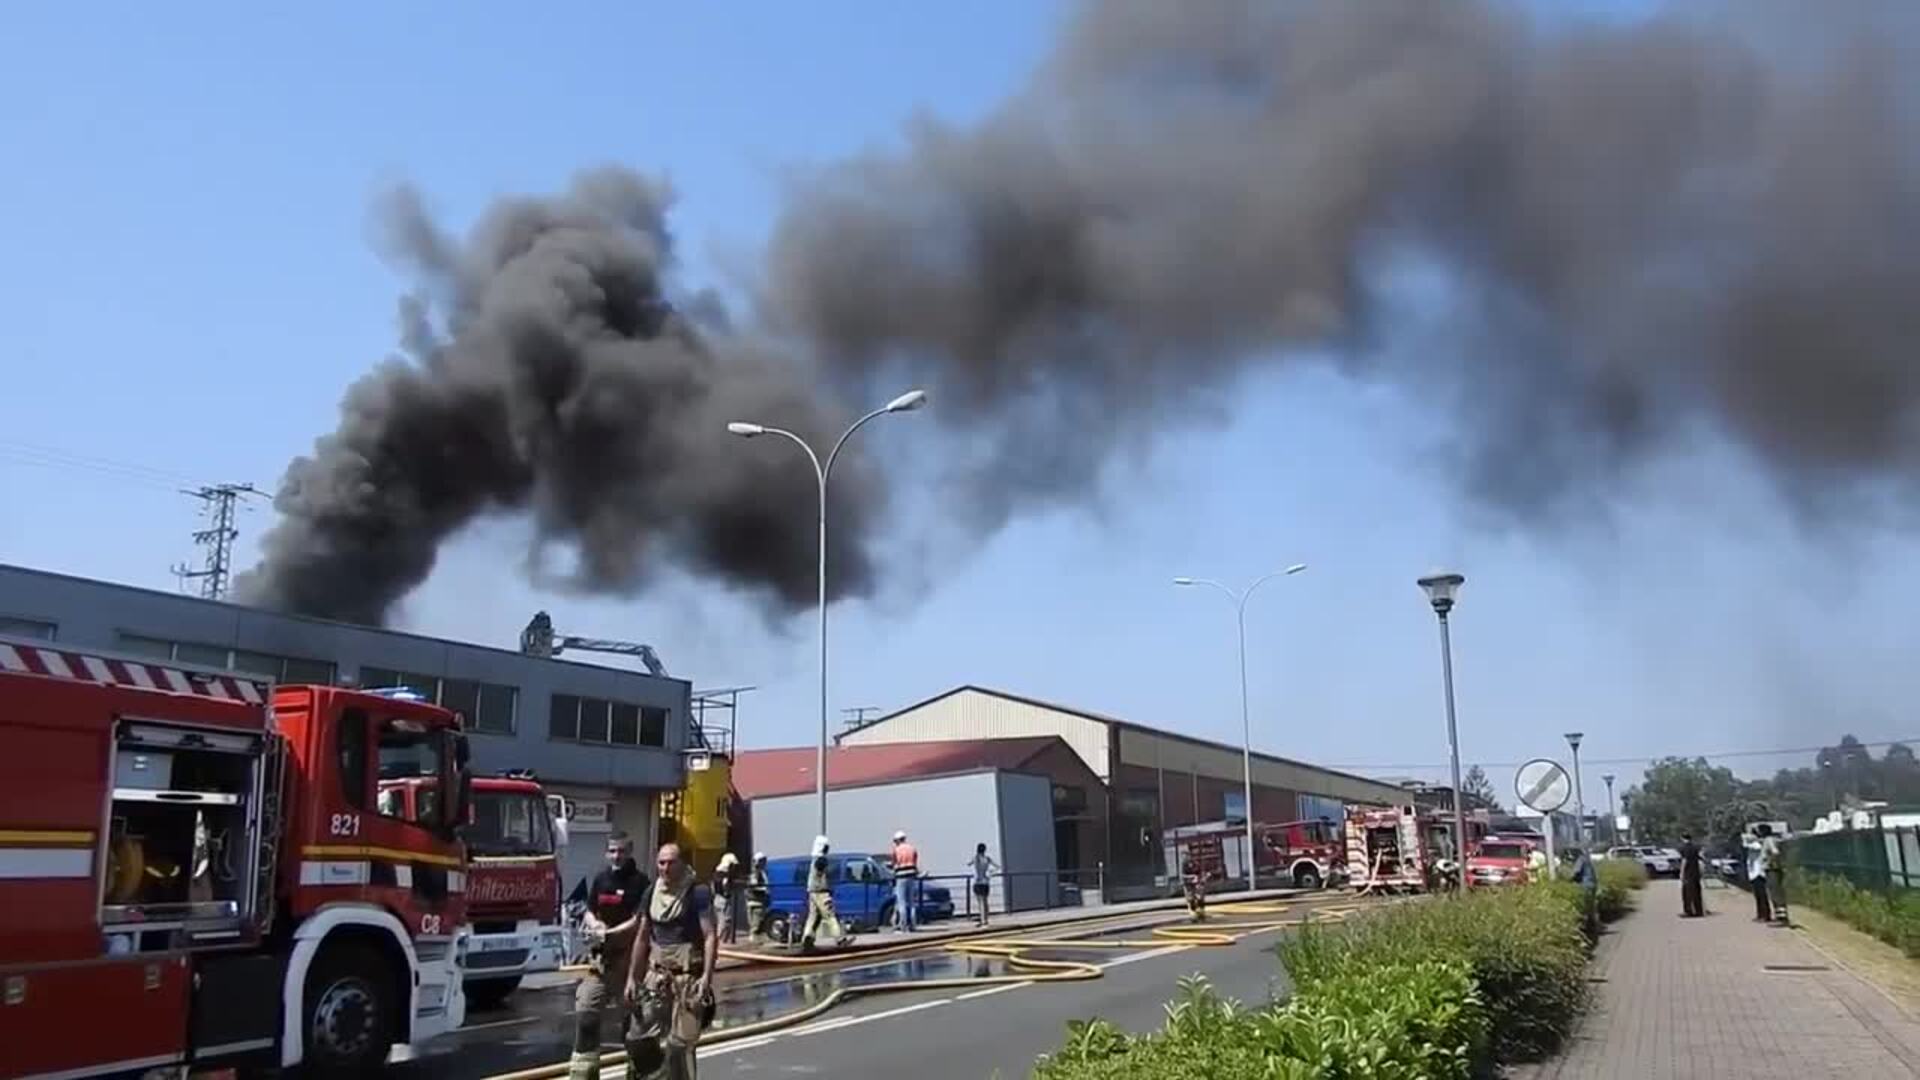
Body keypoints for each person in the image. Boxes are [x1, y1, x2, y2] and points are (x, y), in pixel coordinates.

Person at [625, 843, 719, 1080]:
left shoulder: (697, 892)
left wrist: (707, 976)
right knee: (637, 1039)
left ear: (682, 863)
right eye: (661, 862)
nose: (665, 868)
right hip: (656, 977)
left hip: (688, 978)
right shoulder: (651, 893)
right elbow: (642, 937)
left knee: (679, 1047)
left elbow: (709, 936)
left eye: (671, 862)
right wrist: (632, 979)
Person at [570, 832, 647, 1080]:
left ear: (630, 851)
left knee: (634, 1026)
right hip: (601, 962)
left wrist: (610, 933)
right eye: (613, 851)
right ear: (606, 852)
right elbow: (590, 911)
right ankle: (584, 1072)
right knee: (586, 1012)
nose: (617, 855)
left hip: (629, 964)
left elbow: (639, 921)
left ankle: (638, 1073)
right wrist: (595, 926)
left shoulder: (640, 882)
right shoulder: (601, 879)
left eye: (622, 851)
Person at [799, 835, 852, 951]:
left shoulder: (813, 860)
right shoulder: (821, 860)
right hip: (821, 892)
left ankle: (807, 938)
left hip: (812, 891)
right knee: (830, 915)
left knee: (813, 917)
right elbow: (824, 870)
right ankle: (840, 939)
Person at [1746, 824, 1781, 923]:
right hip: (1753, 873)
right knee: (1757, 895)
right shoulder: (1756, 843)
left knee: (1763, 895)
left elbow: (1773, 852)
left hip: (1760, 872)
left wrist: (1769, 862)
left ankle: (1766, 915)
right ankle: (1760, 914)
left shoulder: (1762, 843)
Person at [890, 830, 920, 933]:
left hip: (901, 877)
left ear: (898, 840)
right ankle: (913, 925)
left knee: (901, 902)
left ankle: (903, 926)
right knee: (912, 902)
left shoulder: (896, 850)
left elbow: (894, 864)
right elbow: (915, 863)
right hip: (911, 877)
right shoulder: (912, 849)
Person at [1568, 847, 1599, 939]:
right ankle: (1593, 928)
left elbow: (1576, 872)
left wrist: (1569, 880)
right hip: (1592, 884)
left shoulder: (1580, 860)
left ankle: (1588, 930)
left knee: (1585, 907)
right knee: (1591, 907)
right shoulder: (1587, 859)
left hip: (1585, 885)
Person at [712, 852, 740, 944]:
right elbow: (724, 888)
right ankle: (720, 942)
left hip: (719, 899)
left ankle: (722, 941)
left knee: (724, 921)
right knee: (724, 921)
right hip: (722, 900)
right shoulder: (723, 874)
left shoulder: (718, 873)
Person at [968, 843, 999, 927]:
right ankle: (986, 919)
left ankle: (983, 921)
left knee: (980, 902)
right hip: (986, 882)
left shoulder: (976, 858)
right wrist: (990, 874)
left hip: (978, 882)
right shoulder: (987, 859)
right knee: (985, 902)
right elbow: (997, 867)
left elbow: (968, 864)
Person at [745, 852, 773, 944]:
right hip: (756, 901)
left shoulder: (761, 872)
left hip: (755, 901)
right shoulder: (757, 873)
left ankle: (754, 938)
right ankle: (754, 939)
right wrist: (764, 889)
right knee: (756, 922)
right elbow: (753, 885)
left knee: (756, 921)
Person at [1678, 833, 1706, 918]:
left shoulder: (1684, 848)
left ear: (1682, 838)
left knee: (1687, 893)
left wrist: (1681, 873)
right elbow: (1701, 858)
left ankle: (1688, 911)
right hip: (1696, 872)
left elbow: (1684, 860)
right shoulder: (1696, 847)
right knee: (1696, 892)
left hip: (1688, 873)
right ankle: (1699, 910)